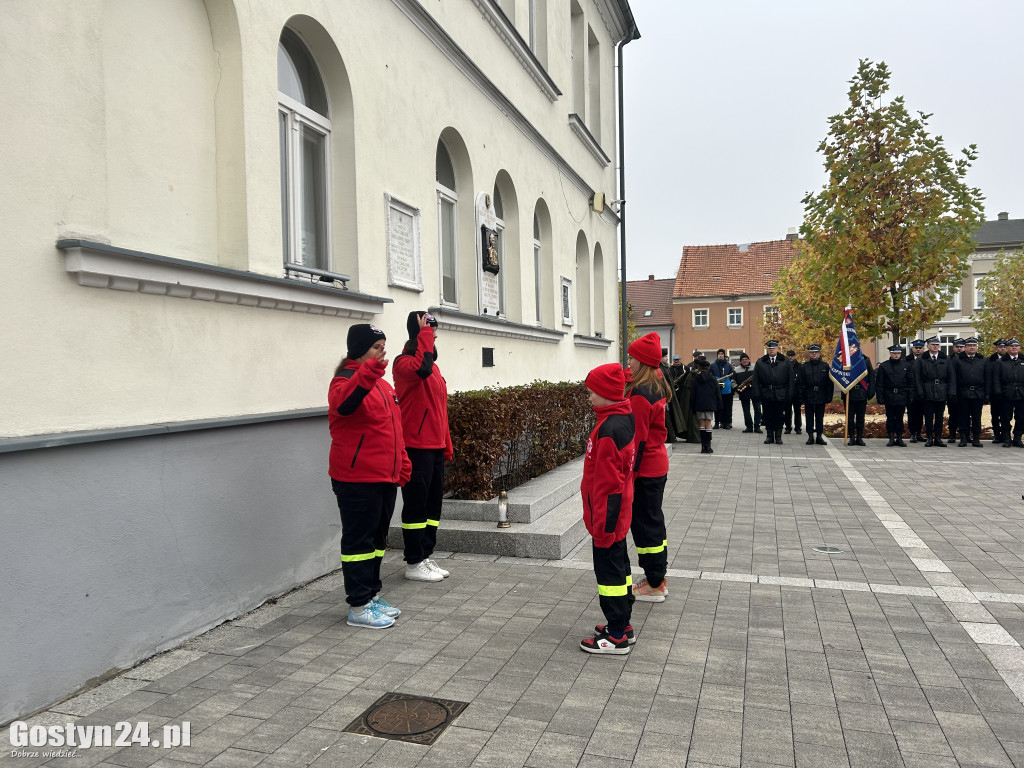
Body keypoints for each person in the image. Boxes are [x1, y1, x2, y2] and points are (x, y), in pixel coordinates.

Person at [328, 324, 412, 629]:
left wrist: (402, 462)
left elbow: (393, 428)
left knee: (377, 541)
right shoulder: (345, 380)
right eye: (376, 346)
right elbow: (346, 405)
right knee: (358, 543)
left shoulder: (382, 385)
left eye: (384, 345)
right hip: (356, 479)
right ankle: (359, 606)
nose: (383, 351)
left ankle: (372, 595)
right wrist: (368, 372)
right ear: (360, 349)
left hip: (384, 478)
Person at [579, 363, 636, 655]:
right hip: (615, 515)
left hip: (607, 518)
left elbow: (608, 485)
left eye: (592, 392)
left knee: (610, 574)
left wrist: (603, 526)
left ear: (606, 394)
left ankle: (616, 636)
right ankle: (623, 622)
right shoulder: (619, 417)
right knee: (621, 567)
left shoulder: (611, 428)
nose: (589, 397)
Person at [393, 311, 454, 583]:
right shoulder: (403, 364)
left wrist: (446, 444)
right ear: (418, 333)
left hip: (434, 445)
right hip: (415, 445)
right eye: (431, 329)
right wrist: (423, 336)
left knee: (432, 506)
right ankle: (413, 561)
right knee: (416, 505)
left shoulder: (434, 366)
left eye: (434, 331)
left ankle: (425, 556)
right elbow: (421, 369)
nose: (435, 334)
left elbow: (439, 409)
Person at [626, 332, 671, 603]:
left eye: (631, 357)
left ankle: (655, 582)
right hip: (657, 464)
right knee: (653, 521)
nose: (628, 361)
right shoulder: (656, 383)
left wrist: (630, 474)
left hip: (646, 469)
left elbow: (638, 439)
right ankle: (657, 576)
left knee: (645, 525)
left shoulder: (641, 394)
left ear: (642, 361)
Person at [916, 336, 956, 447]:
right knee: (928, 417)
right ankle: (929, 437)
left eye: (937, 344)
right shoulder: (922, 359)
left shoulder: (945, 358)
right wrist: (920, 391)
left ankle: (938, 437)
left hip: (941, 390)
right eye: (933, 344)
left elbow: (951, 377)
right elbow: (917, 377)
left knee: (939, 416)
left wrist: (951, 392)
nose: (935, 346)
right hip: (927, 390)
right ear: (928, 346)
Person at [752, 341, 793, 445]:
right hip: (766, 392)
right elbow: (756, 380)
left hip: (780, 392)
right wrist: (756, 393)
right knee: (767, 416)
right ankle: (769, 436)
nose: (771, 349)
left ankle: (778, 436)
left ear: (777, 349)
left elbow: (790, 379)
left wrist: (790, 393)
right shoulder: (761, 362)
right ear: (767, 349)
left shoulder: (785, 361)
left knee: (779, 416)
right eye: (769, 348)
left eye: (774, 348)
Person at [875, 344, 912, 447]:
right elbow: (880, 383)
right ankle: (891, 437)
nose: (896, 355)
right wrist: (880, 397)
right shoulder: (884, 366)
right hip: (889, 395)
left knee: (900, 418)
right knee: (890, 417)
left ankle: (899, 438)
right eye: (894, 353)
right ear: (890, 353)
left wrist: (910, 396)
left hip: (902, 395)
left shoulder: (906, 366)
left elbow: (910, 383)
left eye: (898, 353)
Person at [953, 337, 987, 447]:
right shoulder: (958, 360)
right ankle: (963, 437)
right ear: (965, 347)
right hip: (963, 392)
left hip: (978, 392)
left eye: (974, 345)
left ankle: (976, 438)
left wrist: (987, 393)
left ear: (977, 347)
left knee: (977, 416)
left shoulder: (983, 360)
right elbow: (953, 378)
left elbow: (987, 378)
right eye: (969, 345)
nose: (972, 347)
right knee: (963, 416)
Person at [797, 344, 833, 445]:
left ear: (819, 354)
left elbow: (829, 383)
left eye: (816, 352)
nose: (814, 354)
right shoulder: (804, 367)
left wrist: (829, 396)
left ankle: (819, 436)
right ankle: (810, 436)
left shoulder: (825, 366)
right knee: (809, 417)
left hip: (821, 394)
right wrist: (800, 397)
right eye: (812, 352)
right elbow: (800, 383)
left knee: (819, 417)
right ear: (809, 354)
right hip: (808, 394)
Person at [993, 338, 1024, 448]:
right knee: (1005, 417)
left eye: (1016, 346)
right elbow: (996, 379)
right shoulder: (1000, 362)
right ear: (1007, 348)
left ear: (1019, 348)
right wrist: (998, 393)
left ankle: (1017, 437)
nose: (1014, 348)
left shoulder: (1022, 360)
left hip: (1021, 393)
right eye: (1011, 346)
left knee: (1021, 417)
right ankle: (1007, 437)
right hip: (1006, 393)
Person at [691, 356, 723, 453]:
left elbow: (693, 393)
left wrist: (692, 406)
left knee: (701, 424)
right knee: (708, 423)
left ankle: (703, 446)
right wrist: (719, 405)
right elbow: (717, 392)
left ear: (699, 368)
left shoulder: (696, 378)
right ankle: (708, 446)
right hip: (710, 403)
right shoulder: (712, 378)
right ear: (708, 368)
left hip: (699, 404)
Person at [845, 342, 874, 447]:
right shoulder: (846, 361)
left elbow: (871, 376)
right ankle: (851, 437)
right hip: (849, 392)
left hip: (862, 392)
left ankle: (859, 437)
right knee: (850, 417)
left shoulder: (865, 360)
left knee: (860, 417)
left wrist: (871, 391)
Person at [660, 347, 686, 444]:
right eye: (665, 357)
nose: (666, 358)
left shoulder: (665, 367)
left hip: (670, 396)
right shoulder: (661, 368)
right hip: (665, 397)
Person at [733, 352, 761, 433]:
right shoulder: (736, 370)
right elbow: (733, 381)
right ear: (740, 361)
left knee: (758, 410)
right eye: (743, 360)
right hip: (743, 392)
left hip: (755, 392)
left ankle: (757, 426)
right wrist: (737, 388)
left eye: (746, 359)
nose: (745, 361)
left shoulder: (755, 367)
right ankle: (749, 426)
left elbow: (760, 378)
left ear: (749, 360)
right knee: (746, 411)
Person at [946, 338, 966, 441]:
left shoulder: (968, 359)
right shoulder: (948, 359)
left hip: (964, 391)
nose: (959, 349)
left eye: (961, 347)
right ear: (953, 348)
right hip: (952, 391)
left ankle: (966, 435)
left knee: (966, 414)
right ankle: (952, 434)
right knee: (953, 414)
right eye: (957, 347)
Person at [906, 339, 926, 442]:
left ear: (923, 349)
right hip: (911, 390)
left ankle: (919, 433)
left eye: (920, 348)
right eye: (916, 348)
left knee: (921, 413)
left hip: (923, 391)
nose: (918, 350)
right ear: (912, 348)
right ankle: (912, 433)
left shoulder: (926, 360)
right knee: (912, 413)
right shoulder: (906, 360)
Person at [709, 349, 734, 429]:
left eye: (722, 354)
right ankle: (717, 422)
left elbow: (732, 376)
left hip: (726, 388)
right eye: (719, 354)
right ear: (717, 355)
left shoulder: (728, 365)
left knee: (727, 406)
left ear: (724, 355)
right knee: (717, 407)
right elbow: (710, 375)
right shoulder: (713, 365)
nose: (720, 355)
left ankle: (726, 423)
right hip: (717, 388)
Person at [989, 339, 1008, 443]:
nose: (1003, 348)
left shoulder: (1010, 360)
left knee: (1005, 415)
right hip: (994, 393)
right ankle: (996, 434)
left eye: (1005, 347)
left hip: (1007, 392)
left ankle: (1005, 434)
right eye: (1000, 347)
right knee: (995, 415)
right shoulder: (990, 360)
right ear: (996, 348)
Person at [784, 350, 803, 435]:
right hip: (787, 391)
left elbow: (802, 380)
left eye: (792, 355)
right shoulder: (784, 366)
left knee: (797, 411)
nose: (790, 357)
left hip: (797, 392)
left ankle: (798, 428)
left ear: (795, 356)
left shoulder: (800, 367)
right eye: (789, 355)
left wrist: (801, 392)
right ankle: (788, 427)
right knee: (787, 411)